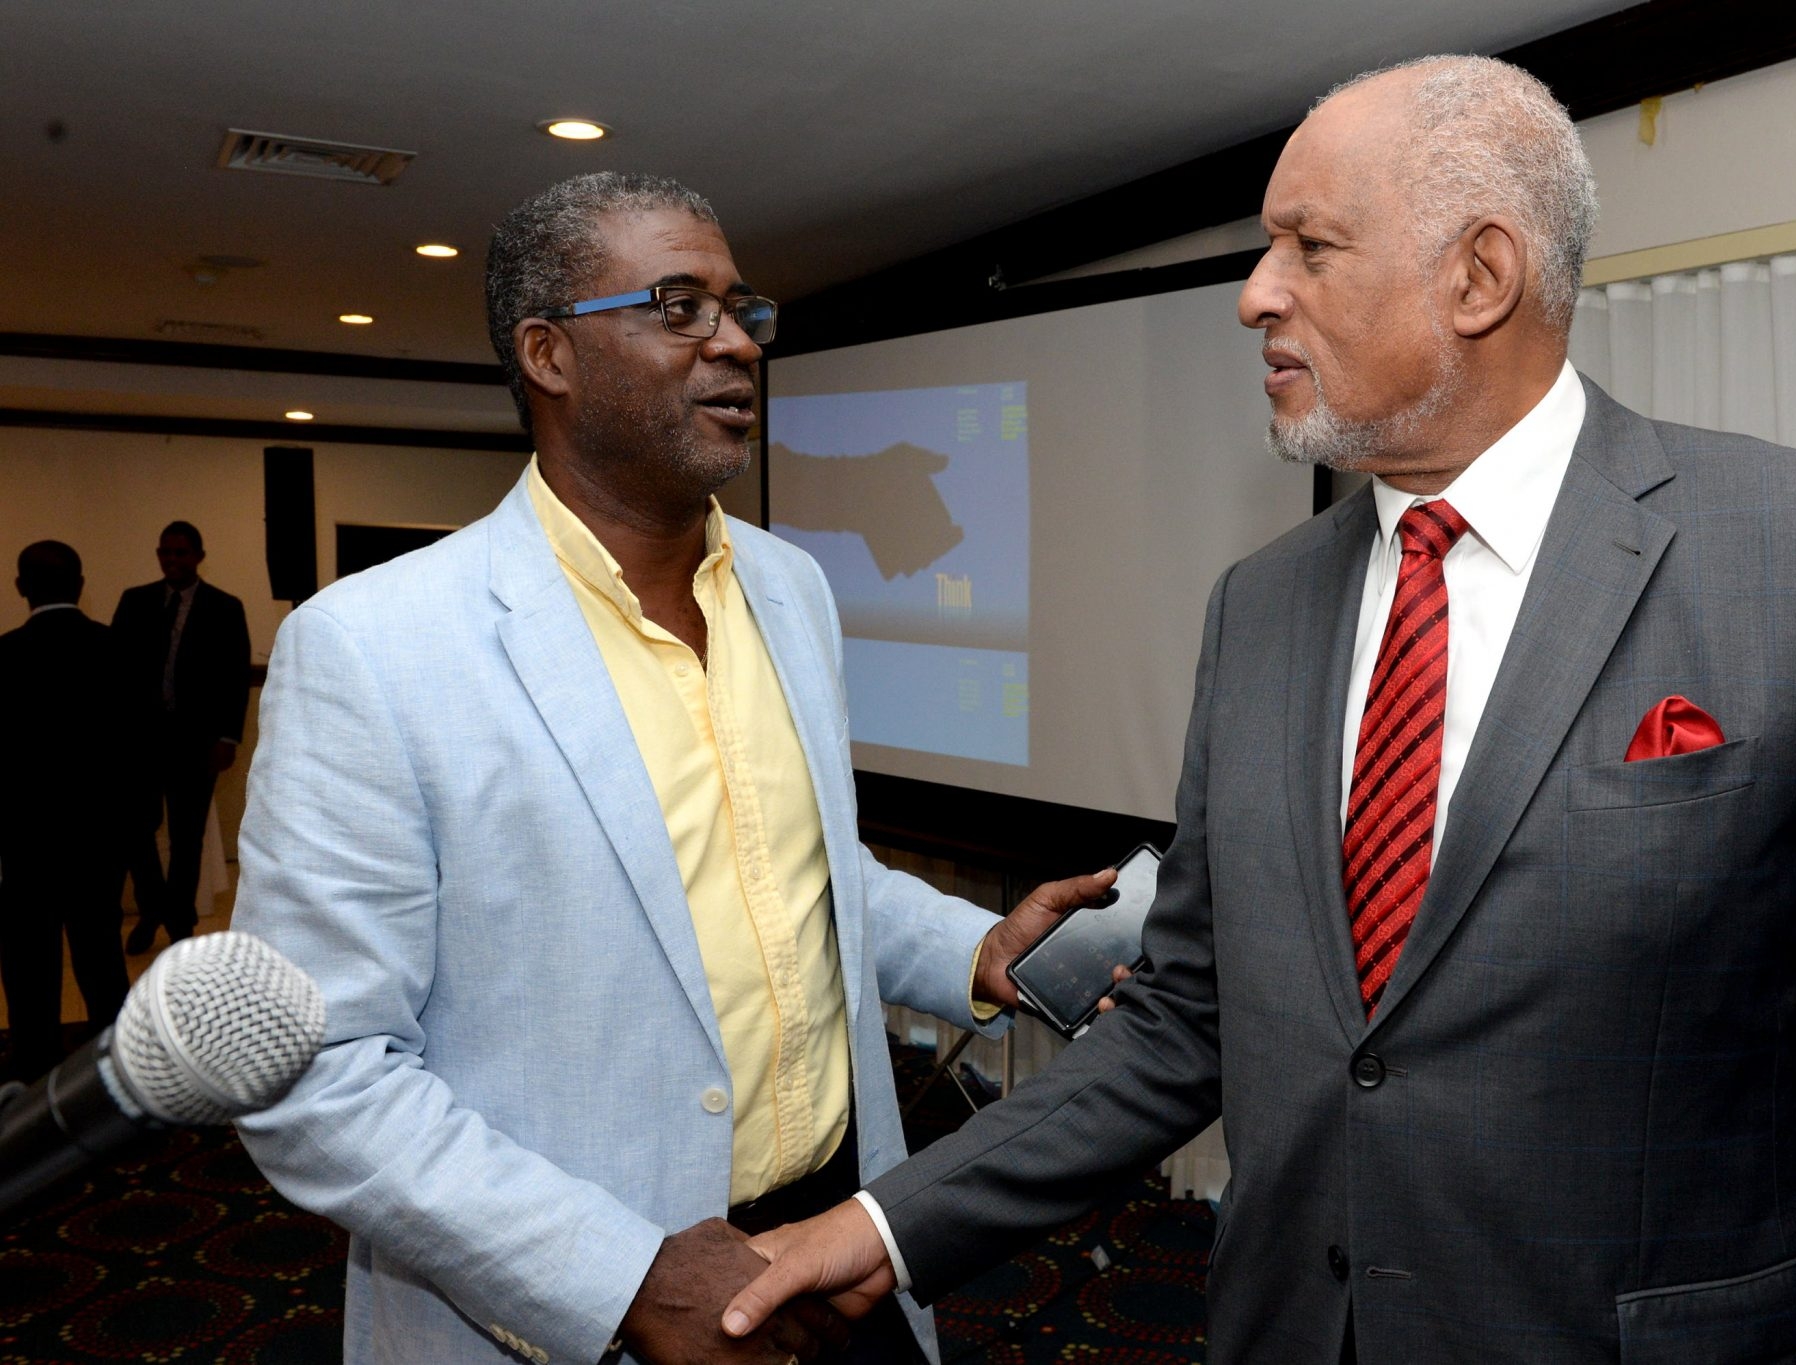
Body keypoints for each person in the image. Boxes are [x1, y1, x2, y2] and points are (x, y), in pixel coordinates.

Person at [721, 56, 1796, 1365]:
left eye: (1309, 246)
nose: (1254, 296)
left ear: (1479, 276)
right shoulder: (1261, 606)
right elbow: (1189, 1024)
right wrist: (889, 1223)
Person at [232, 171, 1114, 1365]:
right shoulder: (374, 647)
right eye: (679, 307)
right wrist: (622, 1277)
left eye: (742, 310)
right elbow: (314, 1074)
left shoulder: (788, 589)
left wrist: (973, 948)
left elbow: (798, 874)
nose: (736, 347)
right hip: (577, 1306)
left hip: (840, 1251)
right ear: (547, 354)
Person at [0, 542, 140, 1081]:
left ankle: (34, 1062)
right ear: (81, 584)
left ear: (20, 587)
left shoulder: (3, 656)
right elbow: (139, 746)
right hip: (98, 834)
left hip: (25, 836)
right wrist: (136, 823)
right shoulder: (117, 650)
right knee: (100, 951)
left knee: (28, 957)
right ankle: (118, 1065)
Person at [110, 520, 251, 952]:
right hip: (140, 741)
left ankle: (178, 920)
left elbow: (235, 676)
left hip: (197, 742)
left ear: (198, 556)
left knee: (188, 837)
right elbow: (114, 669)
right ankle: (154, 908)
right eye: (165, 552)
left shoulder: (225, 607)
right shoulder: (135, 602)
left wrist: (228, 737)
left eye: (181, 553)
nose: (172, 560)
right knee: (137, 831)